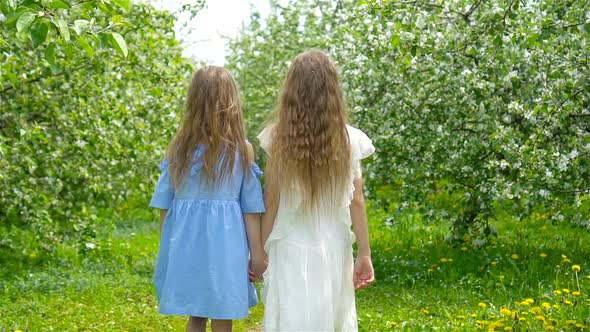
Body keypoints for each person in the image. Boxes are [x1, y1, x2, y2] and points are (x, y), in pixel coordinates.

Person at [258, 50, 375, 331]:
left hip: (288, 245)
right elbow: (356, 201)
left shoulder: (277, 139)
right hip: (333, 246)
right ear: (333, 90)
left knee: (289, 319)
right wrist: (365, 254)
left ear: (291, 90)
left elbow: (271, 199)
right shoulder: (351, 140)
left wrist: (259, 251)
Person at [149, 66, 266, 332]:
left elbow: (164, 206)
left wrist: (167, 245)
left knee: (197, 314)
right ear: (231, 102)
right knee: (222, 314)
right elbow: (251, 209)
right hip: (227, 246)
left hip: (186, 243)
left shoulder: (180, 148)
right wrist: (257, 252)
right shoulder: (241, 149)